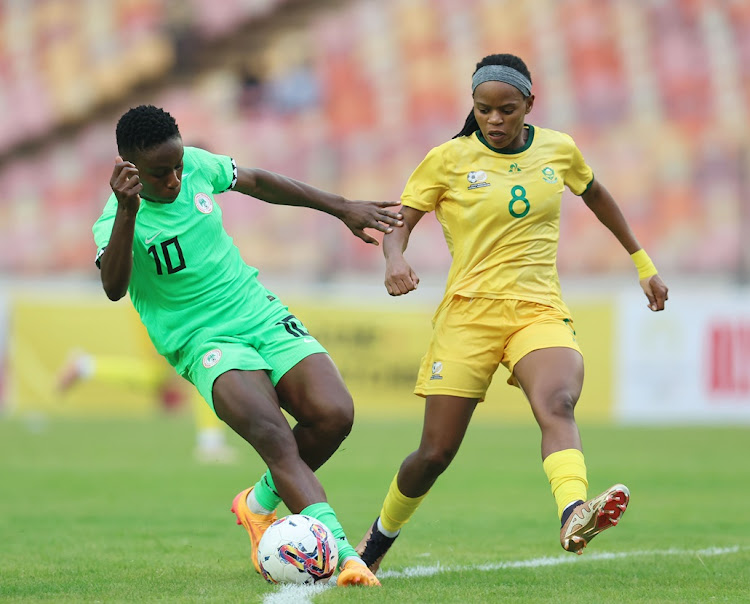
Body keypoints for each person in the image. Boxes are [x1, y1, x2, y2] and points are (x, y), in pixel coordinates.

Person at [356, 54, 669, 573]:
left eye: (506, 109)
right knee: (434, 454)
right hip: (469, 316)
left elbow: (598, 197)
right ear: (473, 107)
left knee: (559, 401)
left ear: (529, 104)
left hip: (538, 308)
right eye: (484, 110)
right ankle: (373, 545)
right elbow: (399, 223)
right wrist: (394, 258)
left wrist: (643, 264)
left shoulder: (558, 149)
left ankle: (573, 511)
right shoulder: (447, 159)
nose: (495, 120)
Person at [94, 104, 404, 587]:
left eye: (178, 165)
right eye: (161, 173)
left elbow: (257, 181)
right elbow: (114, 287)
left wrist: (340, 206)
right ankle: (345, 556)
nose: (175, 178)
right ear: (129, 169)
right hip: (204, 340)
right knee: (276, 439)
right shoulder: (117, 218)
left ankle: (256, 504)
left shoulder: (194, 165)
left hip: (256, 311)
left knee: (334, 414)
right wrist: (130, 213)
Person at [57, 349, 238, 464]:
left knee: (161, 372)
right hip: (166, 302)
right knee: (203, 361)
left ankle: (84, 366)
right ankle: (210, 442)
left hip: (164, 301)